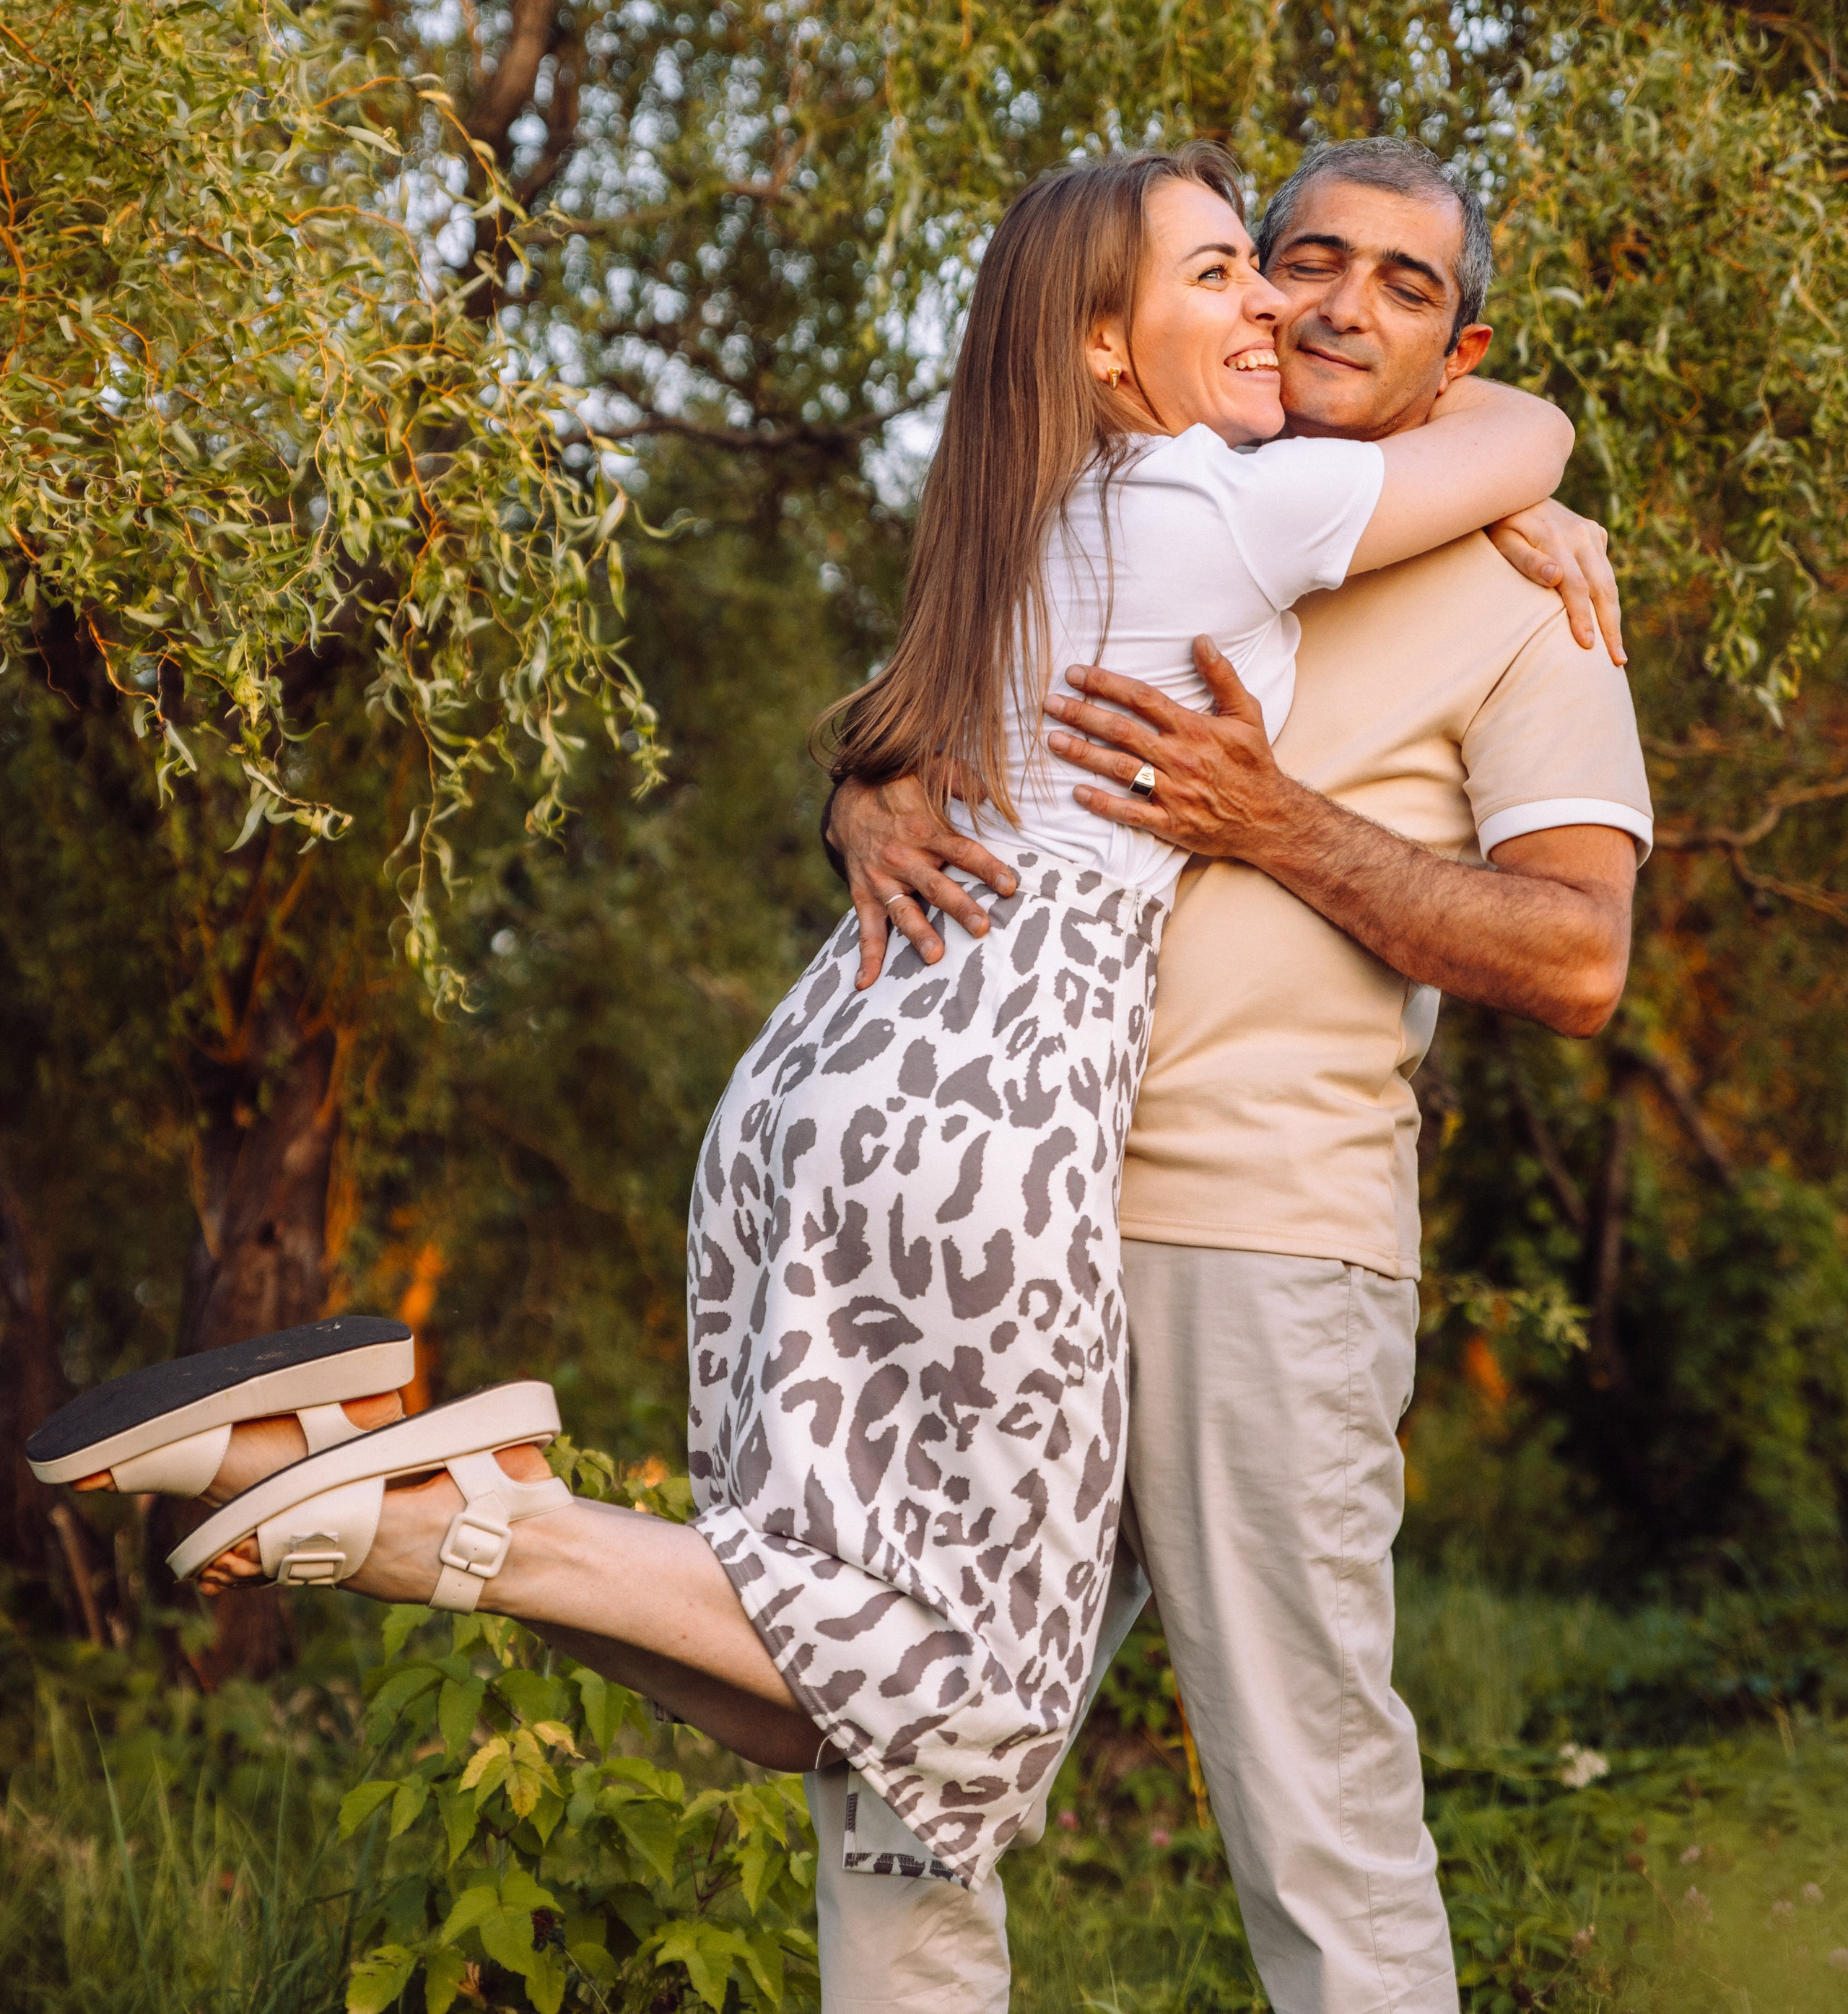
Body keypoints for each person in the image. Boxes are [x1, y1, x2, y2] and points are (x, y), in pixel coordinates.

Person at [30, 144, 1579, 1927]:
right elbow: (1522, 431)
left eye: (1352, 286)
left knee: (828, 1684)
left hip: (829, 1074)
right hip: (993, 1108)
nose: (1289, 311)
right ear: (1097, 342)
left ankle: (317, 1478)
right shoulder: (1229, 507)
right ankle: (459, 1512)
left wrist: (1467, 505)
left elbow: (910, 720)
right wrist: (1509, 480)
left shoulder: (1037, 508)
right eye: (1244, 272)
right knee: (960, 1687)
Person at [824, 136, 1651, 2010]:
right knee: (902, 1777)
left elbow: (1579, 958)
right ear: (1252, 291)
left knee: (1311, 1794)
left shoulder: (1533, 600)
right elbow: (922, 730)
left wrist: (1280, 826)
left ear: (1466, 349)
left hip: (1261, 1239)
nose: (1341, 304)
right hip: (1008, 1218)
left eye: (1406, 285)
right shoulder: (1114, 505)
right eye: (1306, 259)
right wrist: (861, 799)